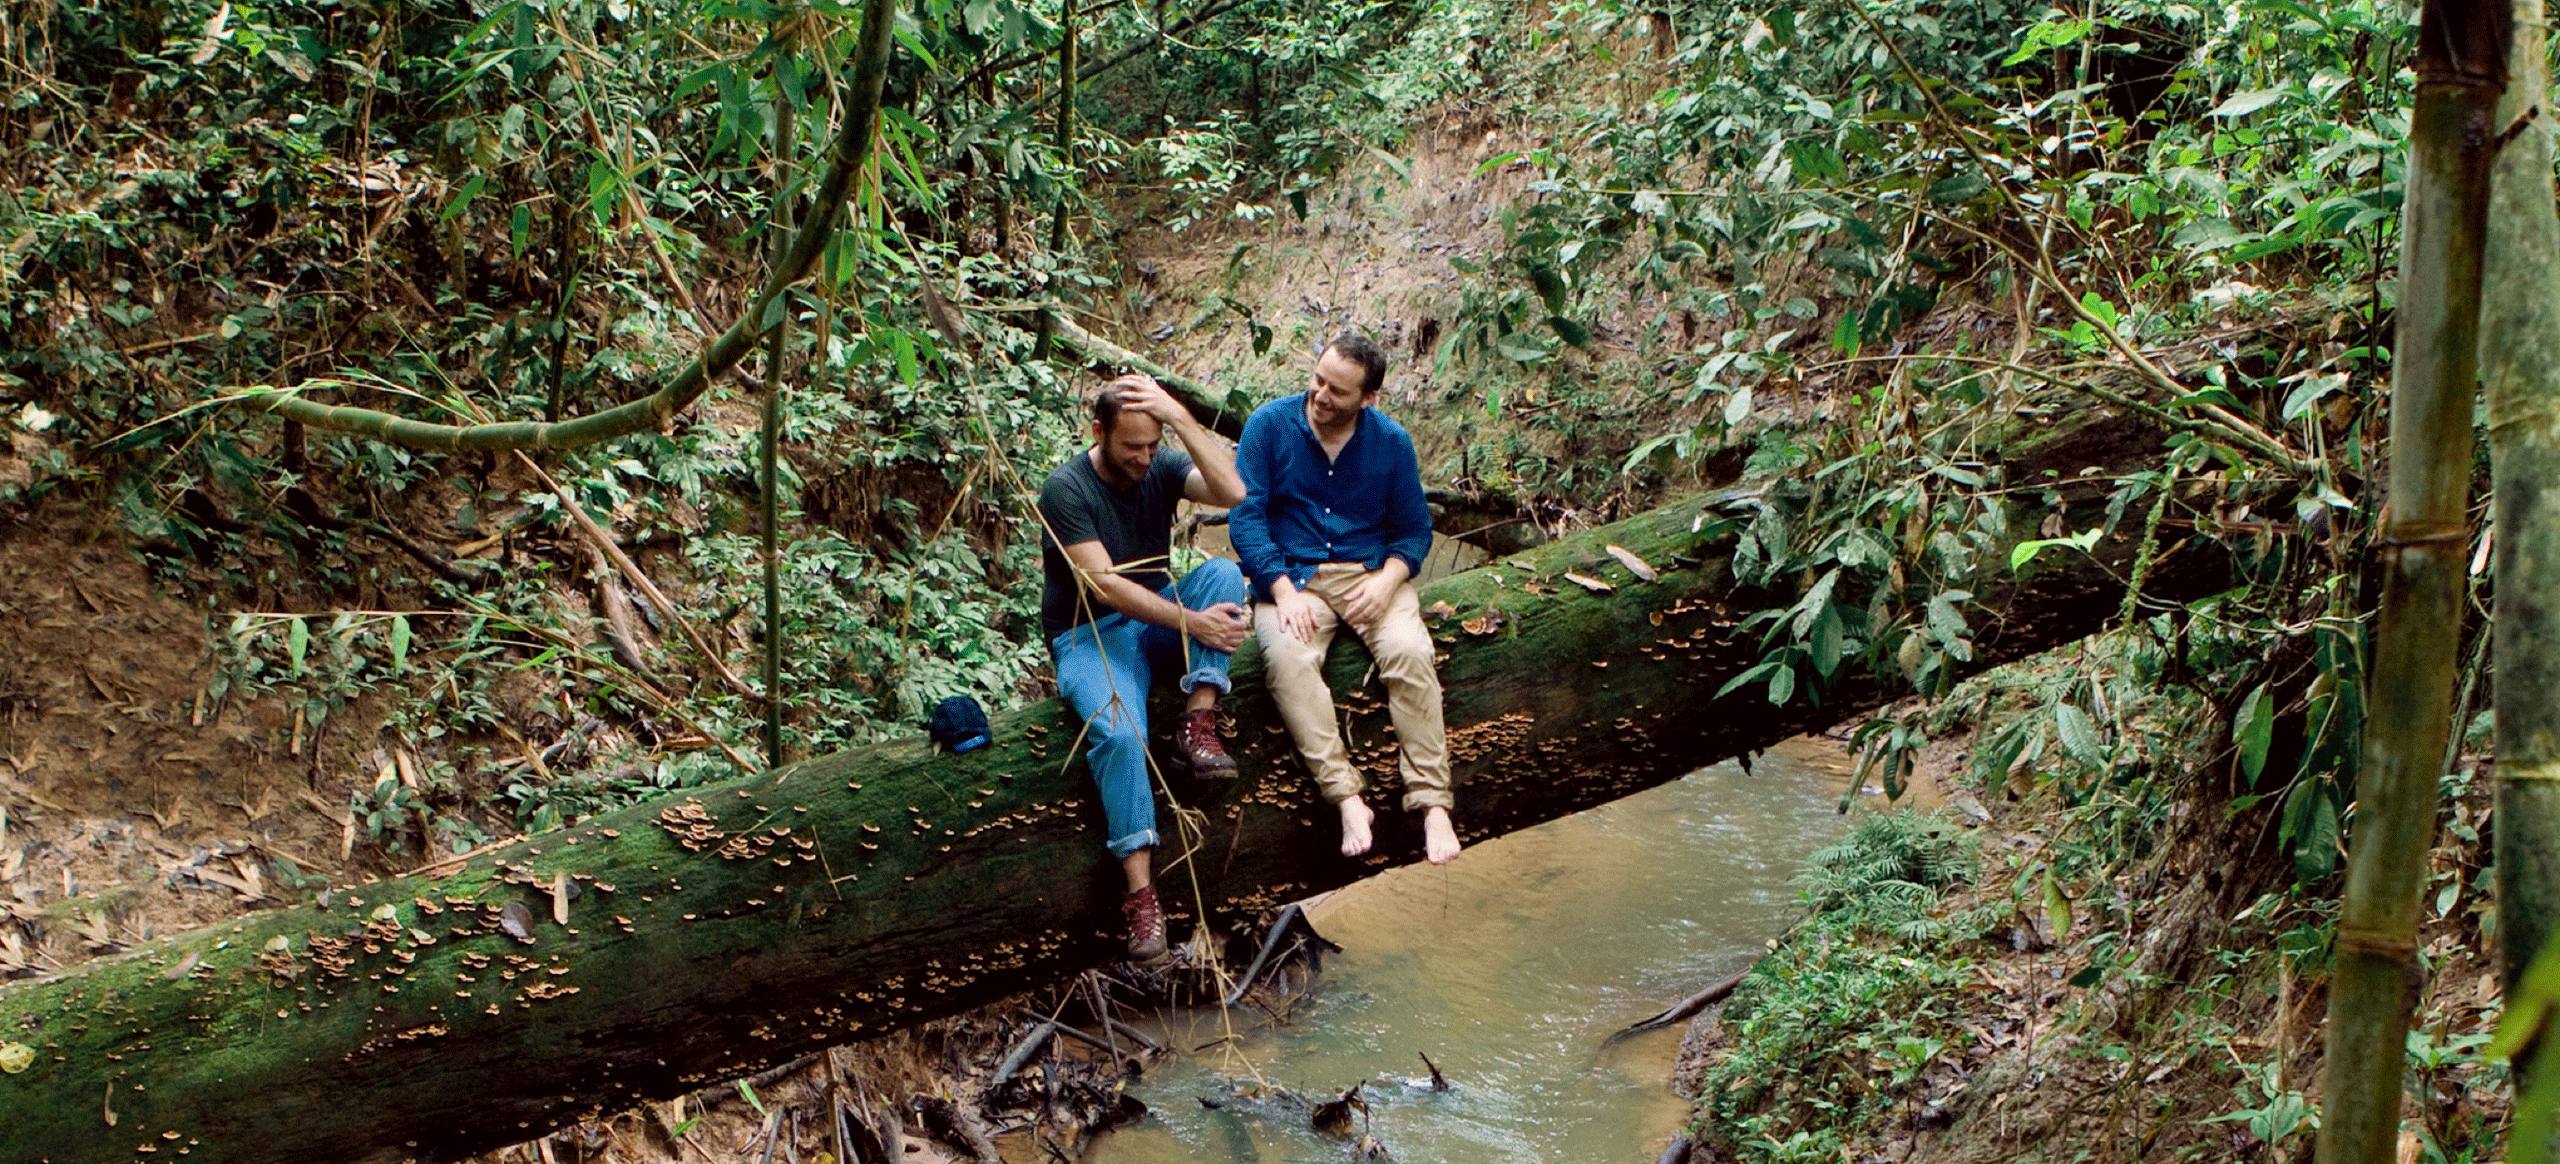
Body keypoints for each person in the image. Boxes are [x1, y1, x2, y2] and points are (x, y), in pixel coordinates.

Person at [1038, 373, 1251, 962]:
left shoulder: (1158, 464)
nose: (1144, 458)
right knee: (1120, 734)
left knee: (1223, 578)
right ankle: (1142, 896)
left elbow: (1233, 492)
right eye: (1132, 446)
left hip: (1155, 620)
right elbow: (1104, 587)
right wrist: (1195, 625)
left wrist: (1178, 417)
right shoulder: (1066, 489)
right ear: (1099, 432)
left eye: (1153, 446)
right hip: (1089, 634)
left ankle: (1196, 725)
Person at [1228, 332, 1462, 866]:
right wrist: (1280, 590)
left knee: (1410, 653)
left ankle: (1432, 803)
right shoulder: (1269, 426)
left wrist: (1387, 581)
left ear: (1368, 398)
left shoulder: (1392, 442)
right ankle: (1347, 797)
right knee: (1287, 660)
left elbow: (1415, 532)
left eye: (1337, 390)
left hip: (1371, 574)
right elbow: (1245, 517)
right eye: (1317, 380)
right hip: (1295, 579)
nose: (1320, 395)